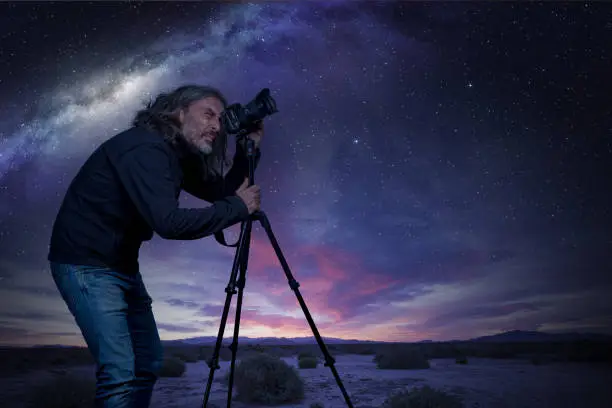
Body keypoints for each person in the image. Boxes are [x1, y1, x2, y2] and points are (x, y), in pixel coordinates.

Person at [47, 84, 262, 408]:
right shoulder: (145, 150)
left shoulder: (174, 155)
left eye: (220, 119)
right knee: (120, 373)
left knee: (146, 363)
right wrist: (237, 209)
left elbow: (223, 193)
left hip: (120, 266)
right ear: (178, 113)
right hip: (86, 265)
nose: (217, 126)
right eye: (208, 114)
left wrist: (250, 150)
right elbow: (170, 223)